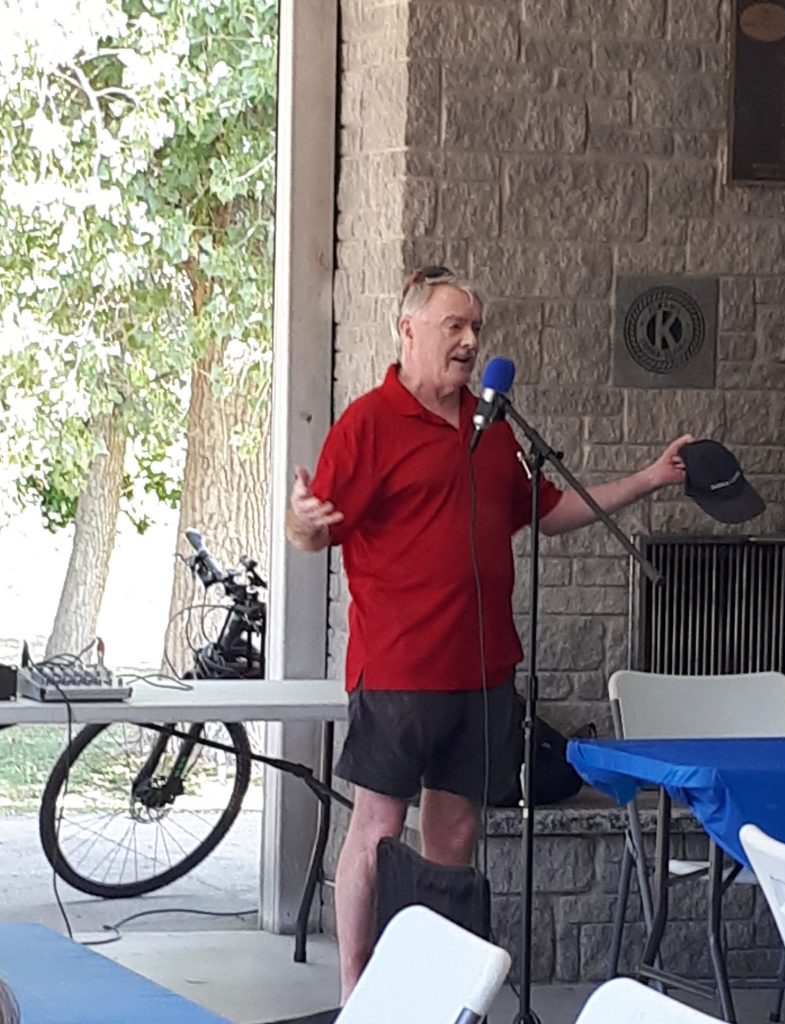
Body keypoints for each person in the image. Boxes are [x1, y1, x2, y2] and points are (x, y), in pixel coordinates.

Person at [286, 265, 692, 1001]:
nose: (471, 341)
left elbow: (549, 512)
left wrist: (647, 479)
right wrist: (302, 523)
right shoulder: (370, 423)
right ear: (409, 331)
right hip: (398, 671)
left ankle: (438, 994)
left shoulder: (494, 426)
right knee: (377, 830)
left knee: (456, 836)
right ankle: (357, 993)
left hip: (482, 672)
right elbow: (314, 529)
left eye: (476, 328)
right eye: (455, 326)